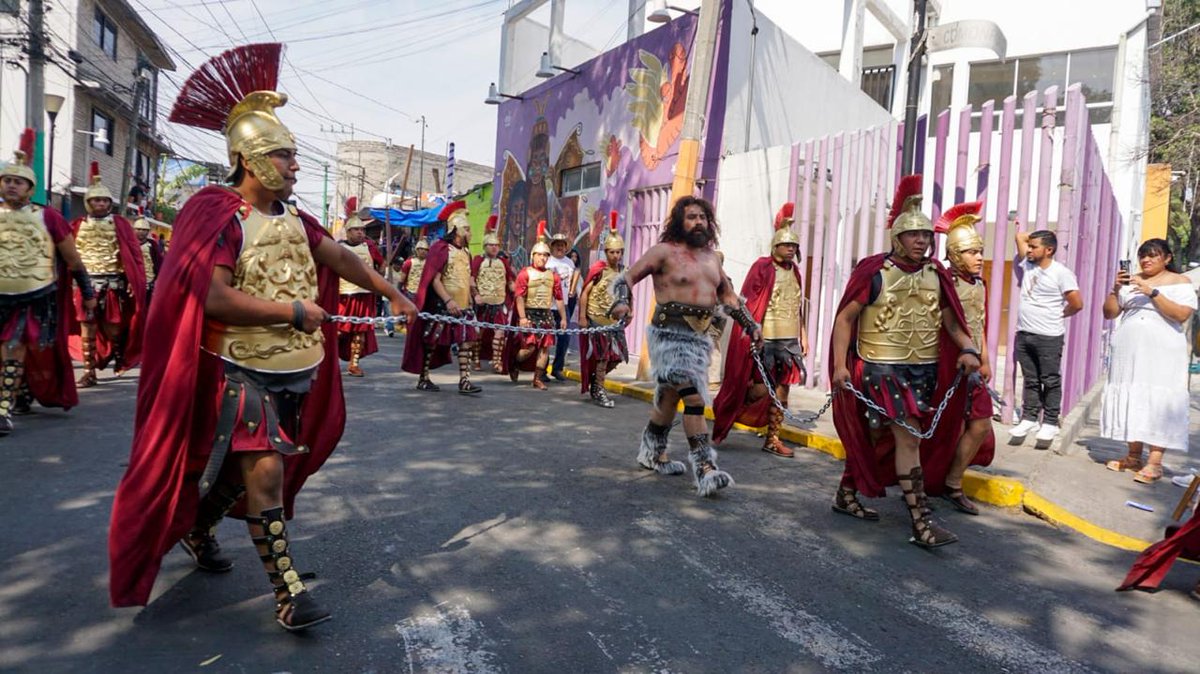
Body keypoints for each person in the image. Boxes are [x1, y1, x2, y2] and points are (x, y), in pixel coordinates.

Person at [108, 43, 417, 631]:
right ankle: (288, 593)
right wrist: (293, 311)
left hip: (295, 368)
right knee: (265, 469)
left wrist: (390, 291)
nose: (295, 165)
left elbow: (341, 259)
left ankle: (199, 528)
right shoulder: (217, 214)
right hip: (238, 366)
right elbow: (213, 297)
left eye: (295, 156)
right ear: (250, 159)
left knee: (242, 471)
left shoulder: (296, 219)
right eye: (285, 155)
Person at [828, 175, 981, 547]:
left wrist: (967, 348)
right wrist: (839, 366)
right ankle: (921, 523)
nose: (922, 241)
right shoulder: (874, 271)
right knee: (909, 435)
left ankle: (846, 494)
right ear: (897, 238)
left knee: (880, 436)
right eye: (914, 235)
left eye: (927, 236)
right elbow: (845, 318)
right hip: (881, 369)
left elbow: (952, 322)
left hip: (923, 371)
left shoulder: (937, 275)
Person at [610, 196, 759, 497]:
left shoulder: (713, 258)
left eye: (703, 217)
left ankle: (651, 453)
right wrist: (622, 303)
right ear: (680, 221)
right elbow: (627, 277)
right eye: (691, 217)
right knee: (693, 400)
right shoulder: (664, 252)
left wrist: (751, 325)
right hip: (668, 338)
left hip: (700, 342)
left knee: (668, 401)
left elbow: (728, 297)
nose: (698, 222)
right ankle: (705, 468)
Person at [0, 130, 91, 435]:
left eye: (18, 181)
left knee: (13, 347)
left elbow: (73, 259)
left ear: (30, 188)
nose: (11, 185)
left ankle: (3, 409)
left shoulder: (49, 217)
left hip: (31, 296)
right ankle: (22, 392)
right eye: (7, 180)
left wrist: (87, 291)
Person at [713, 202, 809, 458]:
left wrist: (803, 334)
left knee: (784, 388)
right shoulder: (762, 267)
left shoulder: (796, 272)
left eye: (794, 246)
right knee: (760, 389)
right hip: (765, 339)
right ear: (775, 246)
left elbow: (796, 305)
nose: (791, 249)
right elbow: (752, 304)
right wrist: (754, 334)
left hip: (789, 341)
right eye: (787, 245)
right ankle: (735, 403)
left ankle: (772, 438)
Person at [1101, 238, 1197, 483]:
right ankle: (1133, 455)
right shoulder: (1130, 280)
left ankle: (1155, 462)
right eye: (1143, 255)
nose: (1146, 260)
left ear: (1166, 258)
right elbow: (1109, 312)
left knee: (1159, 400)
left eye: (1153, 255)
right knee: (1134, 396)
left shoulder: (1180, 282)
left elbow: (1181, 314)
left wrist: (1152, 292)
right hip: (1130, 351)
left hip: (1163, 352)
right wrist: (1115, 289)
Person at [924, 202, 996, 515]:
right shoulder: (942, 282)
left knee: (980, 425)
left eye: (979, 251)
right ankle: (924, 484)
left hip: (973, 367)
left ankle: (953, 483)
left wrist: (986, 359)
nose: (979, 258)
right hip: (944, 366)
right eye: (971, 252)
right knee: (938, 427)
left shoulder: (979, 283)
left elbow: (981, 322)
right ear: (954, 254)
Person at [69, 162, 147, 388]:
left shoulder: (120, 224)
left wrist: (134, 280)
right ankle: (88, 371)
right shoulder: (77, 225)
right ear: (88, 202)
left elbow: (133, 255)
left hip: (113, 283)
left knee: (114, 327)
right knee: (88, 326)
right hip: (85, 285)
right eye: (96, 200)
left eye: (104, 200)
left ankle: (120, 356)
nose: (101, 203)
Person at [1010, 226, 1083, 447]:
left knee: (1050, 380)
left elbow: (1077, 304)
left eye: (1034, 247)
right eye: (1029, 246)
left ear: (1049, 250)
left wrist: (1058, 315)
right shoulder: (1028, 265)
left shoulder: (1061, 273)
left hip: (1049, 336)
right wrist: (1032, 236)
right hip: (1024, 333)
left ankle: (1050, 421)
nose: (1029, 250)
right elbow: (1019, 237)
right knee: (1030, 379)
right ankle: (1029, 418)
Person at [401, 201, 482, 394]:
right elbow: (435, 279)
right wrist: (448, 300)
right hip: (443, 304)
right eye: (467, 229)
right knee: (431, 342)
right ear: (456, 229)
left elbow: (468, 277)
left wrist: (474, 295)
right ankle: (424, 378)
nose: (470, 233)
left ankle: (464, 382)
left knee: (466, 341)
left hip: (463, 304)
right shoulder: (440, 248)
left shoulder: (467, 252)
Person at [504, 221, 568, 389]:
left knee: (545, 348)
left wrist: (563, 318)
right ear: (533, 255)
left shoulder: (553, 276)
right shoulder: (525, 273)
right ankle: (515, 363)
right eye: (539, 254)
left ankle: (537, 378)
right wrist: (523, 317)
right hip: (529, 313)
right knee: (529, 348)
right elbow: (519, 297)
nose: (543, 258)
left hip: (546, 314)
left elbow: (559, 298)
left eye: (546, 255)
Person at [577, 211, 629, 408]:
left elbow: (626, 295)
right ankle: (599, 390)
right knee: (601, 358)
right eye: (612, 252)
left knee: (616, 358)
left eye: (619, 252)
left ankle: (595, 381)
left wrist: (628, 312)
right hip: (596, 320)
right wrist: (582, 317)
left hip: (614, 322)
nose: (616, 255)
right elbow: (585, 293)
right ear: (606, 252)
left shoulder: (624, 271)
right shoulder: (598, 269)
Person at [336, 199, 384, 377]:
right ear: (348, 232)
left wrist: (376, 281)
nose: (360, 232)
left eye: (362, 230)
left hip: (364, 294)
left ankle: (354, 364)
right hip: (343, 294)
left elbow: (382, 264)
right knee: (339, 330)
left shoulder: (369, 247)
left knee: (360, 330)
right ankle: (329, 361)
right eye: (356, 229)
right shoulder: (339, 247)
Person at [472, 215, 515, 373]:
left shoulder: (503, 262)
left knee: (500, 333)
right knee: (479, 333)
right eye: (491, 245)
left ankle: (497, 361)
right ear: (485, 246)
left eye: (496, 245)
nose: (494, 248)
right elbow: (471, 280)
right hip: (482, 303)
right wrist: (476, 294)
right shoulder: (478, 260)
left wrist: (517, 291)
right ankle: (476, 359)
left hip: (499, 302)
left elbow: (510, 281)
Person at [547, 232, 576, 381]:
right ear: (552, 247)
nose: (560, 247)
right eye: (557, 245)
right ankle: (542, 368)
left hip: (564, 305)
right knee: (546, 339)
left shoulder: (569, 263)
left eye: (562, 245)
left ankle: (557, 368)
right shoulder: (548, 262)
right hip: (549, 306)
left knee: (564, 338)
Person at [131, 212, 162, 304]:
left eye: (144, 230)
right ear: (134, 230)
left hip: (149, 281)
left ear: (148, 231)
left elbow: (159, 263)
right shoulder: (129, 244)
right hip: (132, 282)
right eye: (139, 229)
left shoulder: (153, 245)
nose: (141, 232)